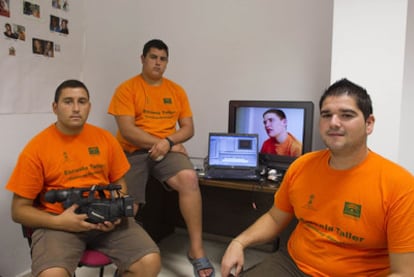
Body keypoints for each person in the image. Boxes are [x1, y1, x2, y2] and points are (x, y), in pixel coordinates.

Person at [221, 78, 414, 277]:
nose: (334, 123)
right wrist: (239, 242)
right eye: (326, 115)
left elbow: (405, 272)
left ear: (369, 123)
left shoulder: (400, 186)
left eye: (347, 115)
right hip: (293, 266)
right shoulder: (302, 166)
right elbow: (274, 218)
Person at [5, 79, 161, 277]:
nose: (76, 108)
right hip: (58, 223)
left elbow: (119, 183)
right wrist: (61, 222)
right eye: (68, 101)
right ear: (55, 107)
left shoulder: (105, 139)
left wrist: (115, 211)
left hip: (105, 220)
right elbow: (18, 211)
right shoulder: (36, 149)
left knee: (149, 262)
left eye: (82, 101)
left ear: (89, 106)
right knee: (52, 274)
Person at [108, 39, 215, 277]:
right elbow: (127, 130)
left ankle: (196, 250)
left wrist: (168, 143)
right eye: (153, 57)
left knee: (189, 178)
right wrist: (166, 143)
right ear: (143, 59)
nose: (158, 62)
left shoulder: (176, 90)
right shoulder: (126, 89)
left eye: (162, 58)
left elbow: (188, 128)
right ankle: (128, 261)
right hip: (133, 151)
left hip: (166, 151)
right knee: (129, 205)